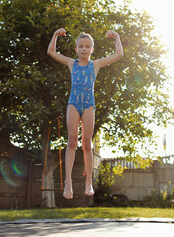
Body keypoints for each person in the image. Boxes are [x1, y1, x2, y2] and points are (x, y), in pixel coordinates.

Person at [47, 28, 123, 199]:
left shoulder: (95, 65)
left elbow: (118, 54)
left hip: (88, 105)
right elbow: (51, 51)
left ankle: (88, 181)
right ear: (76, 49)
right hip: (73, 104)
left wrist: (117, 37)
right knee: (72, 142)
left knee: (87, 144)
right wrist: (55, 35)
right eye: (81, 46)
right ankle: (68, 183)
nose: (84, 49)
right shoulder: (71, 63)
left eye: (87, 46)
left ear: (92, 50)